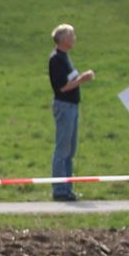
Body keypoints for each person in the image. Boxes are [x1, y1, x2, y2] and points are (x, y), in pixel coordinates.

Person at [48, 24, 95, 201]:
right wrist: (82, 79)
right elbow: (62, 87)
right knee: (62, 149)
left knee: (70, 150)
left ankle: (68, 188)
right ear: (63, 39)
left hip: (72, 106)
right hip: (64, 106)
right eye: (72, 35)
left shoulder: (65, 57)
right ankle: (59, 189)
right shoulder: (56, 59)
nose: (74, 38)